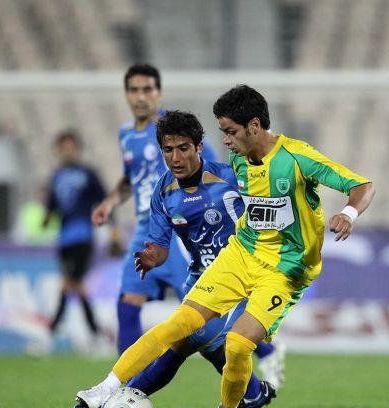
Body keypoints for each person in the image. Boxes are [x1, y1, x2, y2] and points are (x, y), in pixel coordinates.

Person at [75, 85, 374, 408]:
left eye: (230, 132)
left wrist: (349, 213)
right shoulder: (237, 160)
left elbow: (362, 186)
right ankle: (106, 388)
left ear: (254, 125)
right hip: (241, 254)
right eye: (222, 133)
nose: (226, 141)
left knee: (238, 344)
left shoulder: (297, 157)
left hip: (286, 269)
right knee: (180, 326)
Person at [74, 110, 275, 408]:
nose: (176, 157)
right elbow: (160, 246)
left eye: (183, 148)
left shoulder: (229, 177)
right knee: (197, 343)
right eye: (168, 150)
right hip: (202, 277)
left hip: (243, 277)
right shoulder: (163, 192)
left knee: (184, 339)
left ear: (199, 147)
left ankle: (113, 398)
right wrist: (152, 257)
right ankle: (252, 394)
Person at [91, 64, 286, 387]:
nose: (140, 97)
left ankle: (264, 356)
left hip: (186, 235)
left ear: (158, 93)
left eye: (147, 89)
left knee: (199, 325)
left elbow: (212, 172)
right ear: (126, 95)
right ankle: (126, 387)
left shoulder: (178, 130)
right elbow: (131, 178)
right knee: (127, 309)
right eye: (134, 90)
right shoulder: (126, 135)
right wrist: (110, 202)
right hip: (148, 232)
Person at [44, 131, 106, 341]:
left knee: (69, 282)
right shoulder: (57, 176)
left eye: (71, 147)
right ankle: (95, 333)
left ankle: (52, 331)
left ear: (77, 149)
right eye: (64, 148)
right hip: (64, 238)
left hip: (83, 235)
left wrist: (111, 226)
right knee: (76, 285)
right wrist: (48, 216)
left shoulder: (88, 173)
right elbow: (53, 204)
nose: (67, 151)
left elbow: (103, 198)